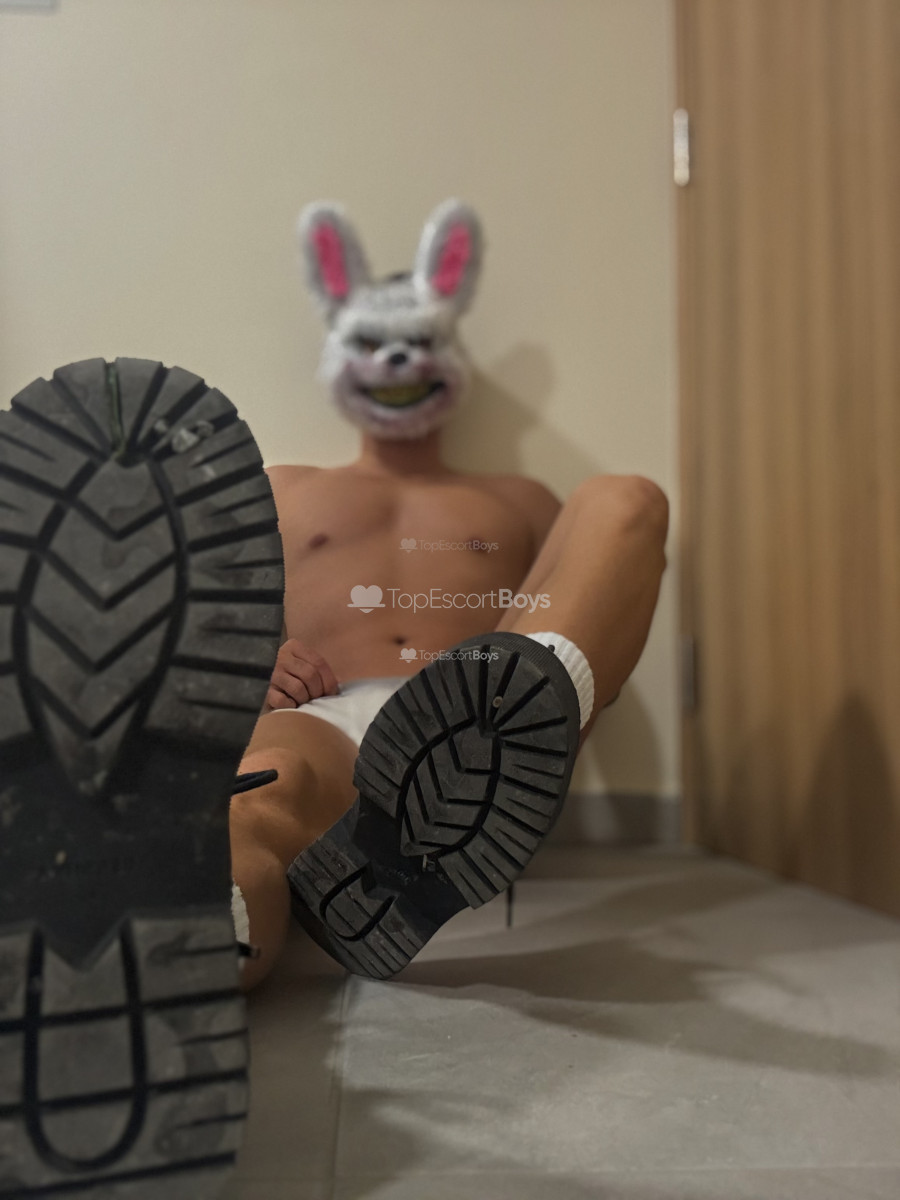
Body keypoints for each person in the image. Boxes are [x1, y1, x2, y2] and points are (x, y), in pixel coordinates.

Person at [231, 201, 669, 988]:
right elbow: (202, 625)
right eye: (373, 345)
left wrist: (542, 737)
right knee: (262, 797)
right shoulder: (282, 488)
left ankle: (494, 759)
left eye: (421, 342)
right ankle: (174, 965)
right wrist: (249, 663)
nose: (398, 362)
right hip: (323, 713)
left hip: (480, 719)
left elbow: (599, 617)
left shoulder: (518, 500)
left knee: (626, 500)